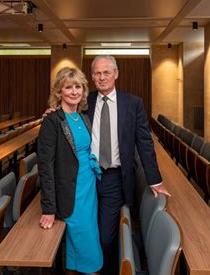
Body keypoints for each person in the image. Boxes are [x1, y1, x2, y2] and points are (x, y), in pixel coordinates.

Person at [88, 55, 171, 275]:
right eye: (97, 73)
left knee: (106, 235)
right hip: (86, 177)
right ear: (92, 76)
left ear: (116, 74)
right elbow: (66, 119)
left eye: (107, 72)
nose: (102, 77)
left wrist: (155, 180)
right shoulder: (84, 102)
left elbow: (144, 142)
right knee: (86, 230)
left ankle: (104, 270)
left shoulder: (133, 103)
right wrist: (52, 114)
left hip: (115, 177)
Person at [37, 67, 103, 274]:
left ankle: (82, 269)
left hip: (88, 185)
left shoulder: (83, 117)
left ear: (83, 91)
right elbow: (45, 167)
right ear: (59, 92)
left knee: (89, 233)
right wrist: (48, 208)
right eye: (68, 87)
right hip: (70, 190)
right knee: (81, 235)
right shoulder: (52, 121)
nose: (74, 91)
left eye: (78, 87)